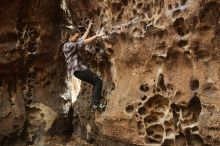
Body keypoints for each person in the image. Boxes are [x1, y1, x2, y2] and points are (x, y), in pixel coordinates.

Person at [63, 22, 106, 110]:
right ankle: (95, 104)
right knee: (98, 81)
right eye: (76, 37)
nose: (77, 39)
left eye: (77, 37)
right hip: (79, 70)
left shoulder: (74, 42)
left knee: (96, 83)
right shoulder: (67, 46)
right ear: (70, 36)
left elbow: (81, 39)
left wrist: (89, 28)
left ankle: (95, 103)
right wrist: (97, 36)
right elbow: (83, 42)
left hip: (79, 71)